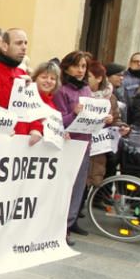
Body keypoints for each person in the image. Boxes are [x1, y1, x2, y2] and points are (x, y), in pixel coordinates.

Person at [53, 51, 96, 241]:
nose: (80, 70)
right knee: (65, 187)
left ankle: (70, 223)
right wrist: (74, 114)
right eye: (76, 65)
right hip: (68, 144)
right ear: (67, 67)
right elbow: (59, 120)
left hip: (84, 144)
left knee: (78, 187)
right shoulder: (61, 91)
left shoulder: (87, 90)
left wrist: (103, 118)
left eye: (84, 66)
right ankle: (60, 227)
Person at [85, 60, 122, 188]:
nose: (84, 79)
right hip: (80, 143)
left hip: (97, 147)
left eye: (88, 76)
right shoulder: (80, 94)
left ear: (99, 78)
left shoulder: (110, 97)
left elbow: (116, 120)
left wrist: (119, 126)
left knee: (90, 182)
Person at [14, 58, 62, 144]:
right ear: (35, 78)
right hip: (19, 144)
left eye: (53, 78)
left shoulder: (52, 105)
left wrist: (61, 134)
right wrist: (36, 128)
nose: (48, 81)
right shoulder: (25, 96)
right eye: (44, 77)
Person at [0, 28, 30, 109]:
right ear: (4, 46)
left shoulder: (22, 73)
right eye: (19, 43)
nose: (24, 47)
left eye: (25, 43)